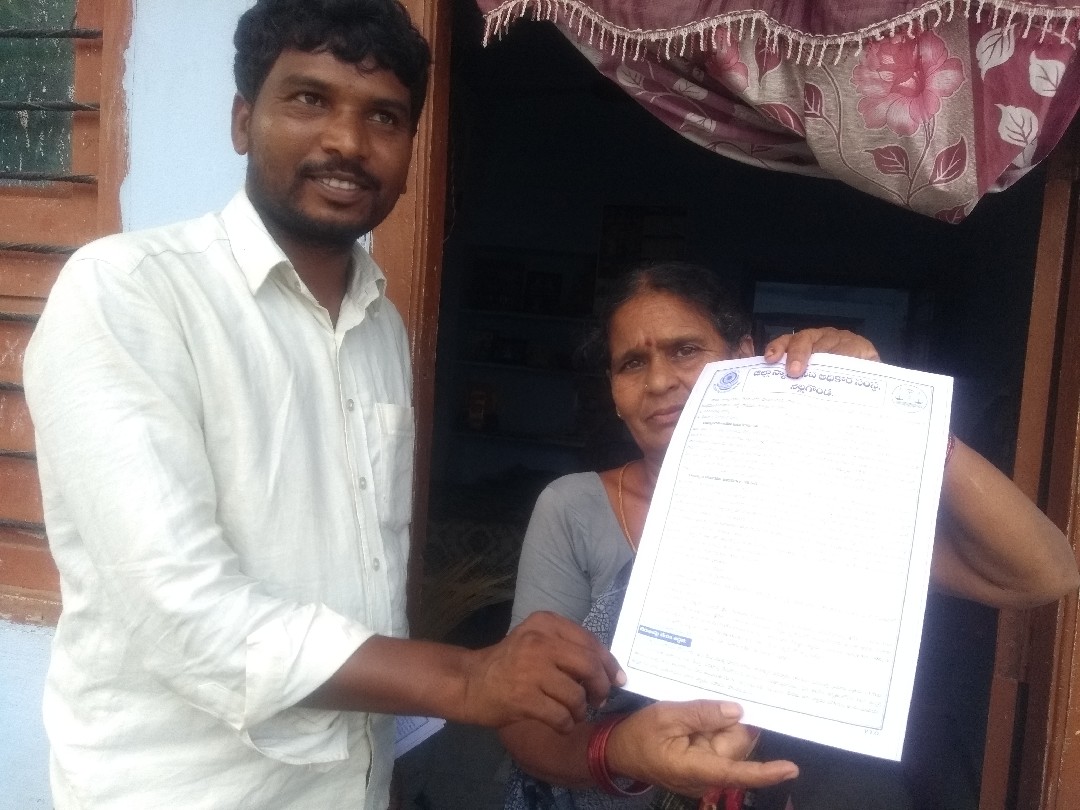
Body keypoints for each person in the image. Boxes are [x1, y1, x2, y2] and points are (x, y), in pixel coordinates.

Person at [16, 3, 747, 808]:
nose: (348, 141)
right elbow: (178, 609)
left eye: (385, 117)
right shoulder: (131, 294)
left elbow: (362, 587)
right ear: (242, 119)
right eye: (309, 99)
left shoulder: (379, 329)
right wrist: (466, 677)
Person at [499, 261, 1080, 810]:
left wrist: (894, 410)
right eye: (631, 363)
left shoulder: (824, 502)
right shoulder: (573, 509)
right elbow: (524, 722)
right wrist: (620, 752)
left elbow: (1044, 574)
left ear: (743, 355)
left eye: (685, 350)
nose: (657, 380)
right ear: (612, 389)